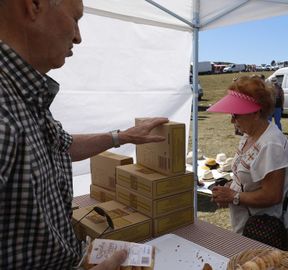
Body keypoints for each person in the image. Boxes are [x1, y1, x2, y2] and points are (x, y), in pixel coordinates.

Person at [0, 0, 169, 269]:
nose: (78, 37)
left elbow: (61, 146)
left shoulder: (22, 94)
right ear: (33, 5)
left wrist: (122, 136)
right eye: (76, 19)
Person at [207, 76, 288, 249]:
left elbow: (272, 195)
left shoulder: (271, 144)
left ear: (256, 112)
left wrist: (233, 197)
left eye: (236, 114)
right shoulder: (249, 135)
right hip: (247, 226)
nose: (232, 120)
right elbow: (245, 179)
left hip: (263, 231)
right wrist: (228, 189)